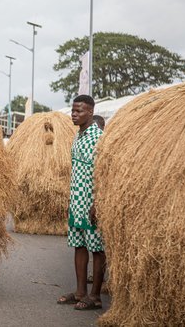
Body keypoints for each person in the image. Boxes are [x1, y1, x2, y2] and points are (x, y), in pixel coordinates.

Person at [57, 94, 105, 310]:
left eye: (80, 111)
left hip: (91, 202)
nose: (74, 115)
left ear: (91, 112)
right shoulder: (78, 136)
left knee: (97, 248)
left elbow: (104, 172)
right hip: (77, 200)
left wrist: (98, 202)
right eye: (73, 110)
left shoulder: (99, 137)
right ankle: (80, 292)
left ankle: (95, 296)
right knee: (79, 245)